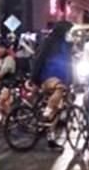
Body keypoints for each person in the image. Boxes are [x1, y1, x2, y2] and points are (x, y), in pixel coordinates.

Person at [29, 20, 74, 152]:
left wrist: (71, 80)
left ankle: (51, 139)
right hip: (47, 77)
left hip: (61, 78)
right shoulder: (48, 42)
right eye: (68, 31)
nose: (70, 34)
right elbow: (39, 59)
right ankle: (46, 112)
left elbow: (69, 64)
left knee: (57, 110)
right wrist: (34, 78)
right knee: (59, 89)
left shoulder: (66, 45)